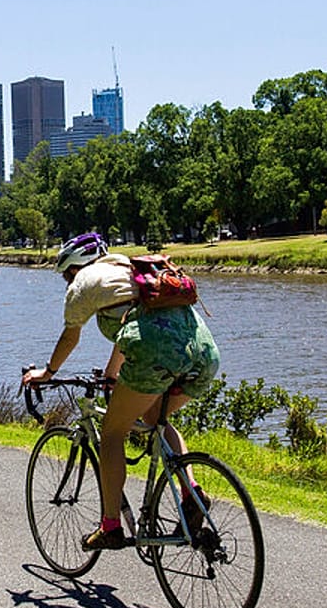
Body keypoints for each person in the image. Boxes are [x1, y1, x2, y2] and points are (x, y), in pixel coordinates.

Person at [21, 231, 220, 551]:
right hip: (203, 354)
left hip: (155, 355)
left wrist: (48, 373)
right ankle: (191, 493)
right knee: (154, 417)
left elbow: (71, 337)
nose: (66, 281)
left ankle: (110, 526)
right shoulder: (132, 271)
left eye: (65, 275)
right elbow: (132, 328)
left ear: (75, 267)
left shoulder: (83, 284)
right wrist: (112, 375)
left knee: (112, 433)